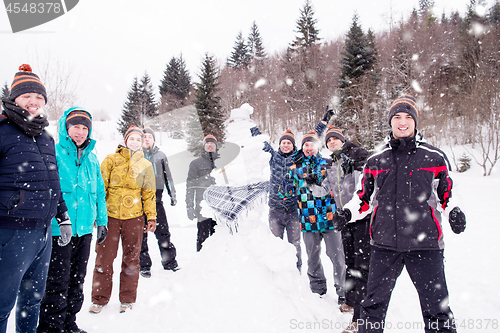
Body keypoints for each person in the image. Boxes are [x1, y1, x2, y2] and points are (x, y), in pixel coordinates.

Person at [334, 95, 467, 333]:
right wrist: (347, 213)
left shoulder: (434, 157)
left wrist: (454, 211)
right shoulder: (376, 160)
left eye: (408, 117)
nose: (402, 122)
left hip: (426, 245)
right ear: (390, 122)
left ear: (415, 122)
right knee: (372, 307)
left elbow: (446, 195)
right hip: (385, 245)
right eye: (397, 117)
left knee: (437, 309)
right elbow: (363, 198)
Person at [0, 64, 71, 333]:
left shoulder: (45, 136)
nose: (34, 102)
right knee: (2, 303)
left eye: (39, 97)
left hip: (43, 232)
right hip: (10, 232)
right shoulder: (3, 130)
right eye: (27, 96)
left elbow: (53, 182)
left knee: (32, 301)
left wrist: (62, 215)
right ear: (14, 98)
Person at [37, 108, 108, 333]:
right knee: (57, 281)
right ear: (66, 129)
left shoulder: (93, 160)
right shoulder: (54, 153)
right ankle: (51, 327)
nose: (80, 132)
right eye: (76, 126)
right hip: (60, 229)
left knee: (77, 280)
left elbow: (98, 193)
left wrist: (102, 221)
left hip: (85, 229)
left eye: (85, 128)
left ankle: (69, 323)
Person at [89, 126, 157, 314]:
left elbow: (149, 194)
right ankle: (99, 299)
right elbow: (100, 188)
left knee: (131, 260)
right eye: (131, 139)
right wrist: (97, 214)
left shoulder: (146, 165)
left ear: (142, 142)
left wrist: (151, 216)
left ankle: (127, 299)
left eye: (138, 139)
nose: (134, 142)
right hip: (109, 217)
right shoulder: (111, 160)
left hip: (134, 218)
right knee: (104, 259)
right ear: (125, 140)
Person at [281, 130, 346, 308]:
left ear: (317, 147)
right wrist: (287, 183)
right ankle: (318, 289)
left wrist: (319, 180)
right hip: (308, 221)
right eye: (305, 145)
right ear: (302, 148)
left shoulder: (328, 163)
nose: (309, 148)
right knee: (313, 258)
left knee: (337, 257)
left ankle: (343, 292)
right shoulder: (296, 168)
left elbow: (339, 185)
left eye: (311, 144)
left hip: (330, 219)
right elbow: (284, 193)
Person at [262, 108, 333, 271]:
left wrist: (323, 123)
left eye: (289, 143)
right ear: (279, 145)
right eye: (283, 142)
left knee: (295, 245)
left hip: (294, 209)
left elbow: (312, 138)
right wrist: (247, 123)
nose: (286, 145)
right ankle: (276, 274)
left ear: (293, 145)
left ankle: (296, 273)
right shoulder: (273, 158)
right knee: (275, 244)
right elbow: (261, 142)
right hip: (275, 208)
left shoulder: (298, 158)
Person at [314, 126, 371, 320]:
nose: (331, 142)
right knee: (350, 261)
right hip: (344, 218)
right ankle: (351, 300)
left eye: (335, 139)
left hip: (361, 216)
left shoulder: (355, 155)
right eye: (328, 141)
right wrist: (312, 181)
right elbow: (324, 191)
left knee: (362, 264)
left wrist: (358, 163)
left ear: (342, 139)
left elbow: (365, 186)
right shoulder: (332, 163)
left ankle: (362, 314)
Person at [139, 126, 179, 277]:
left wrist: (172, 194)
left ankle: (169, 262)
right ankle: (144, 266)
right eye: (144, 137)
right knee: (141, 236)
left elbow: (168, 176)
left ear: (154, 140)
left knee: (163, 233)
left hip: (157, 200)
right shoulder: (136, 155)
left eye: (149, 137)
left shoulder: (161, 155)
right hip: (140, 202)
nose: (147, 139)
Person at [186, 135, 219, 252]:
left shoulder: (221, 163)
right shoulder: (196, 164)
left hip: (219, 206)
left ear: (216, 147)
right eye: (207, 145)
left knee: (219, 236)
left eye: (212, 145)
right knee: (202, 238)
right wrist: (189, 206)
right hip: (202, 206)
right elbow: (190, 187)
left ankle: (218, 261)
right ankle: (201, 262)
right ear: (204, 147)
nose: (209, 147)